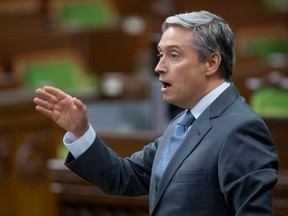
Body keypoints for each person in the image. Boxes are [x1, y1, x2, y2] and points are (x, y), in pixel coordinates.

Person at [34, 10, 279, 215]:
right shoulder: (183, 122)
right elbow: (124, 176)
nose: (159, 67)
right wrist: (80, 131)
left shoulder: (240, 129)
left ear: (211, 63)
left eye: (174, 55)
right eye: (161, 55)